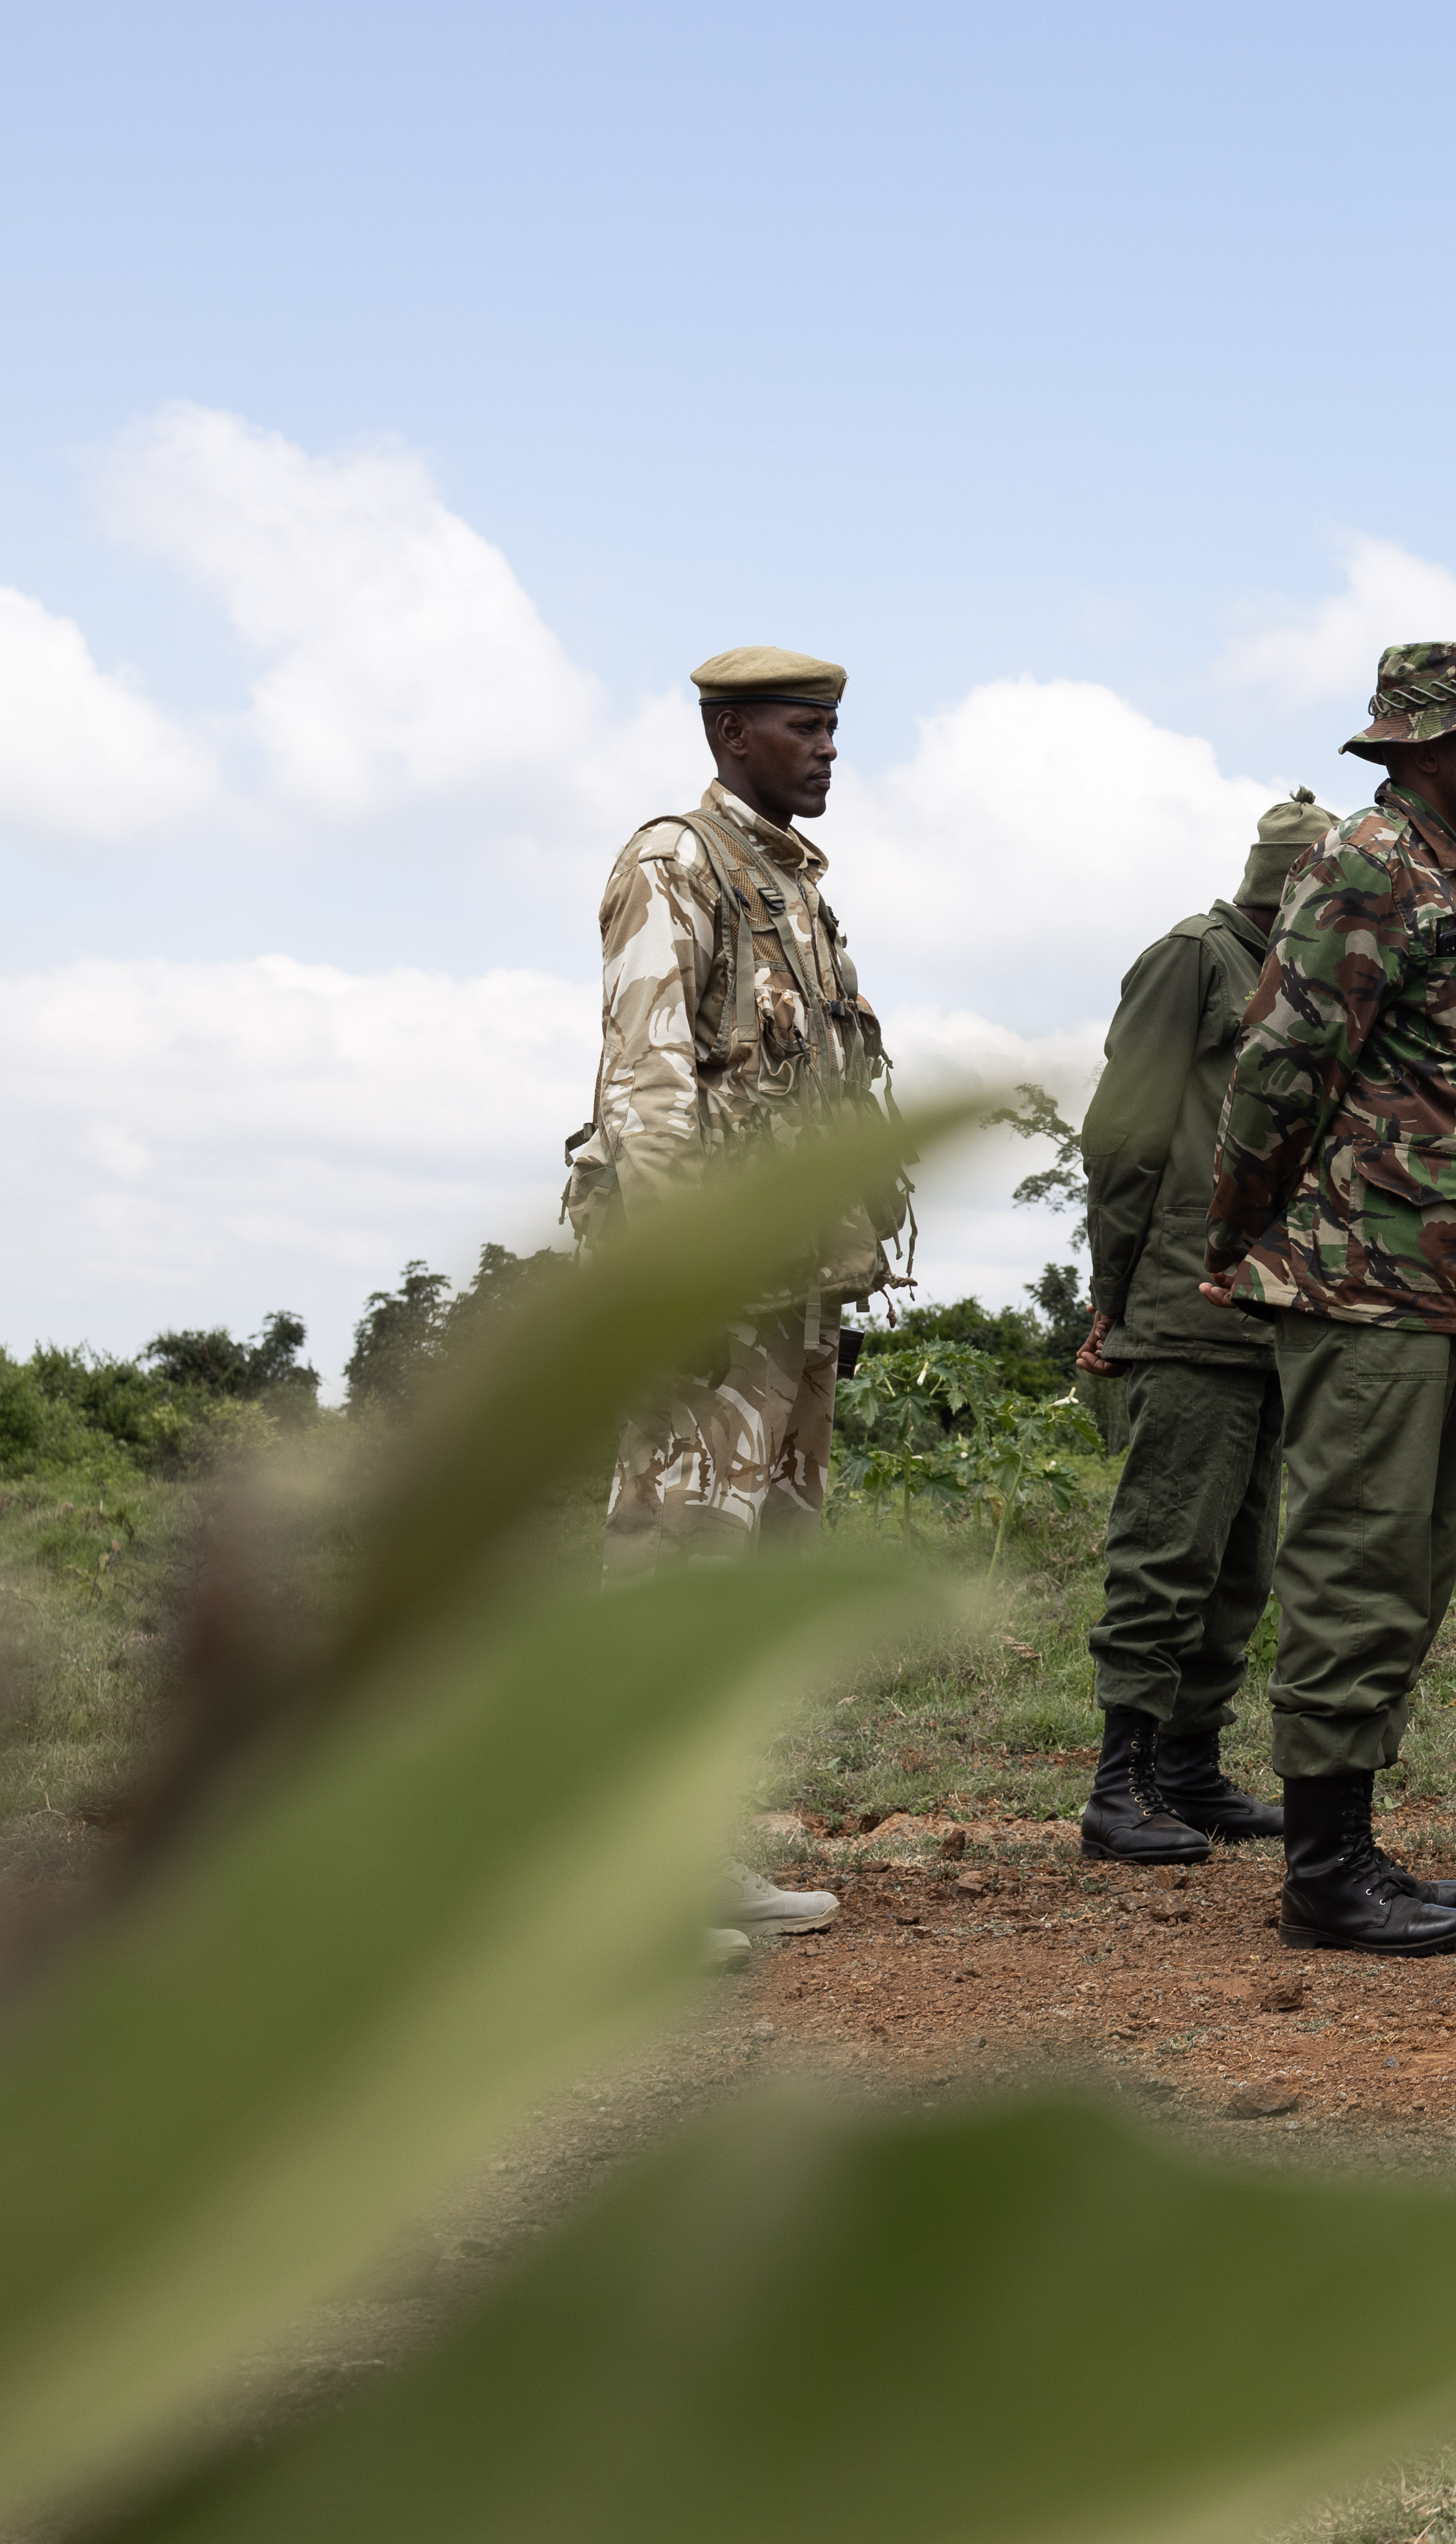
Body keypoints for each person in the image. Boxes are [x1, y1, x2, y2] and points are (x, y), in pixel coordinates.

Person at [1205, 642, 1456, 1958]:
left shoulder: (1444, 871)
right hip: (1361, 1279)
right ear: (1424, 748)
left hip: (1431, 1283)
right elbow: (1284, 1060)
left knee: (1407, 1562)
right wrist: (1241, 1227)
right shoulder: (1366, 862)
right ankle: (1324, 1868)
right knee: (1353, 1560)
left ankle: (1347, 1839)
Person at [575, 642, 902, 1943]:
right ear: (728, 735)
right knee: (672, 1567)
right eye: (799, 725)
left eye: (832, 727)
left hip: (794, 1282)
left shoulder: (792, 884)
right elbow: (646, 1076)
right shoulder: (678, 861)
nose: (826, 747)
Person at [1064, 793, 1336, 1867]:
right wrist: (1115, 1289)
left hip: (1276, 1304)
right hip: (1186, 1301)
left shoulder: (1308, 974)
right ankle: (1118, 1780)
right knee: (1169, 1543)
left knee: (1241, 1559)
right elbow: (1121, 1131)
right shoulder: (1193, 959)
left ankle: (1187, 1768)